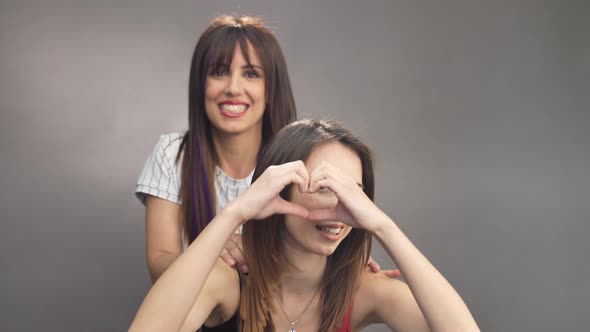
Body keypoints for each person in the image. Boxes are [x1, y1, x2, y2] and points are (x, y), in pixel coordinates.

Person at [130, 120, 479, 331]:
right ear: (278, 191)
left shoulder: (364, 291)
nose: (338, 209)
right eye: (324, 187)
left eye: (352, 194)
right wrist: (234, 214)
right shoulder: (229, 280)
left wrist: (383, 226)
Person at [135, 15, 397, 283]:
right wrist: (213, 250)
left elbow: (320, 233)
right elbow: (160, 264)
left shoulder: (300, 154)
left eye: (251, 74)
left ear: (271, 88)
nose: (233, 88)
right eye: (219, 72)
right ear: (200, 84)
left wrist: (345, 259)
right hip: (205, 304)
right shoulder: (173, 152)